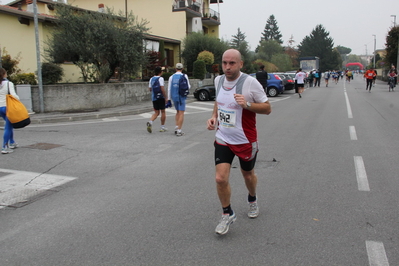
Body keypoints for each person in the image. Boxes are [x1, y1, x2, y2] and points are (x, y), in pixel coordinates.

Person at [207, 49, 271, 235]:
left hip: (245, 140)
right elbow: (219, 102)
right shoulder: (218, 80)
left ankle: (252, 199)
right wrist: (213, 117)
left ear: (241, 64)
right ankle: (227, 214)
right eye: (224, 63)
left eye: (232, 63)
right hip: (223, 138)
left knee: (248, 175)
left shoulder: (250, 83)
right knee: (220, 178)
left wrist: (247, 105)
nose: (227, 67)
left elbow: (267, 108)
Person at [0, 68, 19, 154]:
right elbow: (14, 96)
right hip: (7, 107)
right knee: (8, 127)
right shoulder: (8, 83)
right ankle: (4, 147)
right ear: (4, 74)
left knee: (9, 125)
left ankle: (12, 142)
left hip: (0, 108)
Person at [168, 63, 190, 136]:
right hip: (182, 97)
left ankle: (176, 127)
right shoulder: (184, 76)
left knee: (177, 112)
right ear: (182, 68)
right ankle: (179, 130)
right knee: (181, 113)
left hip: (174, 96)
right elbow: (188, 86)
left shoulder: (171, 77)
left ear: (175, 68)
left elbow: (169, 89)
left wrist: (168, 99)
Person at [146, 66, 168, 133]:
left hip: (154, 98)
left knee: (156, 112)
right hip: (160, 98)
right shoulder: (160, 78)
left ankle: (150, 121)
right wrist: (165, 97)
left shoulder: (151, 79)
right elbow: (162, 88)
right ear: (160, 72)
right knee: (163, 112)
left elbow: (150, 89)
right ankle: (162, 127)